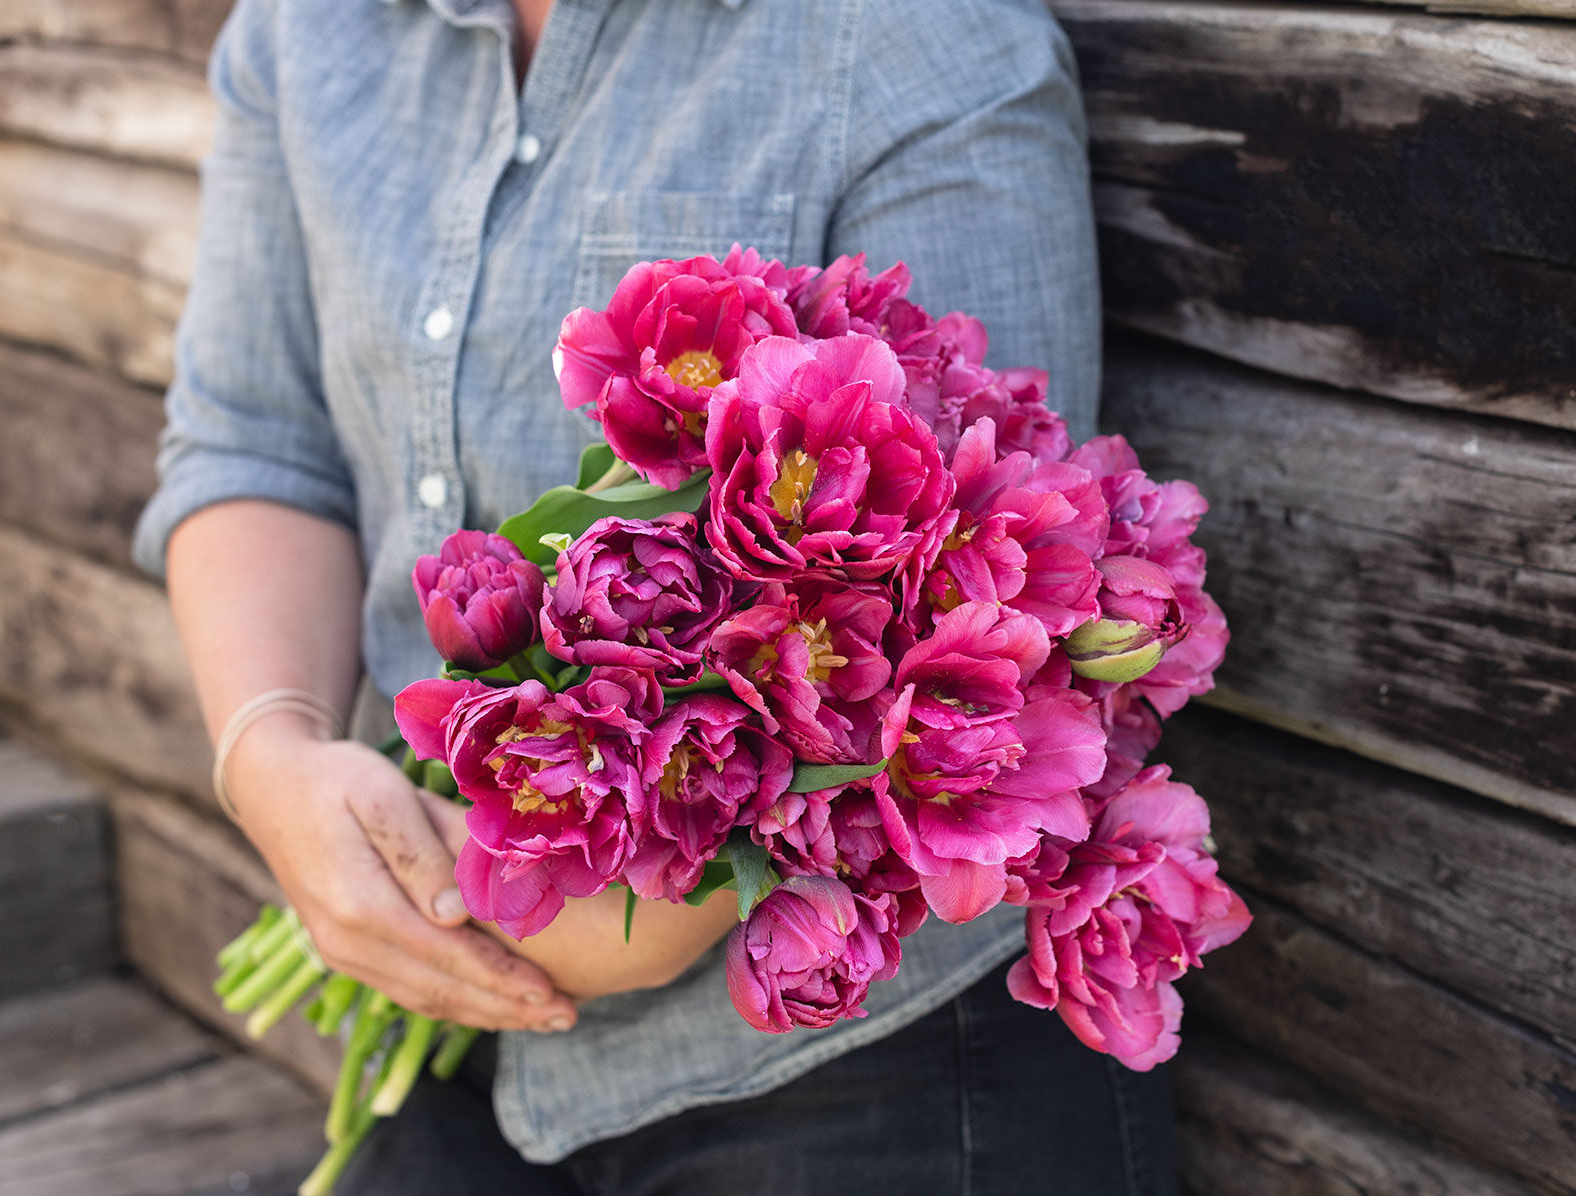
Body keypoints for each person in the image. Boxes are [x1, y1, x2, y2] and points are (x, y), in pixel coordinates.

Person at [133, 0, 1177, 1191]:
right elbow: (256, 440)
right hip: (448, 1005)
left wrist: (603, 915)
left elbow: (974, 607)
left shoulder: (921, 41)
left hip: (859, 1076)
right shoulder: (304, 29)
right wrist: (273, 757)